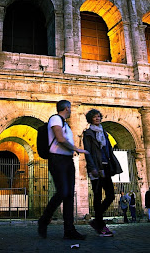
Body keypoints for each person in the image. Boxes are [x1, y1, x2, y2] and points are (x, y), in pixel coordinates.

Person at [38, 100, 89, 240]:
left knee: (68, 195)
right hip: (57, 159)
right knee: (63, 192)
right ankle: (44, 219)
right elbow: (59, 138)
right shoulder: (55, 119)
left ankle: (69, 230)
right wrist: (76, 148)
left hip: (67, 160)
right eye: (70, 108)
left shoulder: (65, 123)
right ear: (67, 108)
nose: (71, 110)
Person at [83, 108, 122, 237]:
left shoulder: (104, 133)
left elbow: (108, 150)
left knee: (111, 194)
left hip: (106, 166)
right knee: (98, 195)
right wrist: (92, 167)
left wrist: (114, 164)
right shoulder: (88, 134)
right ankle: (100, 225)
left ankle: (97, 220)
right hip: (96, 167)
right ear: (90, 119)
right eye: (95, 117)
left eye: (99, 116)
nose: (97, 118)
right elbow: (88, 152)